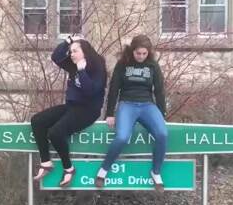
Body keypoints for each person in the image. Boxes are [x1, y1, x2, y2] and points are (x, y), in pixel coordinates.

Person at [94, 34, 167, 193]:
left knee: (162, 134)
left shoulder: (153, 66)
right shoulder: (123, 64)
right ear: (132, 51)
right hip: (127, 104)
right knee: (122, 137)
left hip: (147, 105)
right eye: (138, 53)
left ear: (148, 52)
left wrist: (162, 113)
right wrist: (110, 113)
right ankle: (104, 170)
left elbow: (160, 91)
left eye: (144, 54)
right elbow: (114, 89)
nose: (141, 56)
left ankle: (156, 173)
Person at [31, 35, 107, 187]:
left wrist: (81, 70)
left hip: (88, 111)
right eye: (71, 51)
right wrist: (68, 41)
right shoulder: (72, 64)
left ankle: (69, 168)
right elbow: (56, 56)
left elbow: (90, 91)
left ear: (85, 52)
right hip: (72, 106)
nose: (71, 54)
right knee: (37, 121)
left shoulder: (98, 69)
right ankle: (46, 162)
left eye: (75, 51)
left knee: (55, 133)